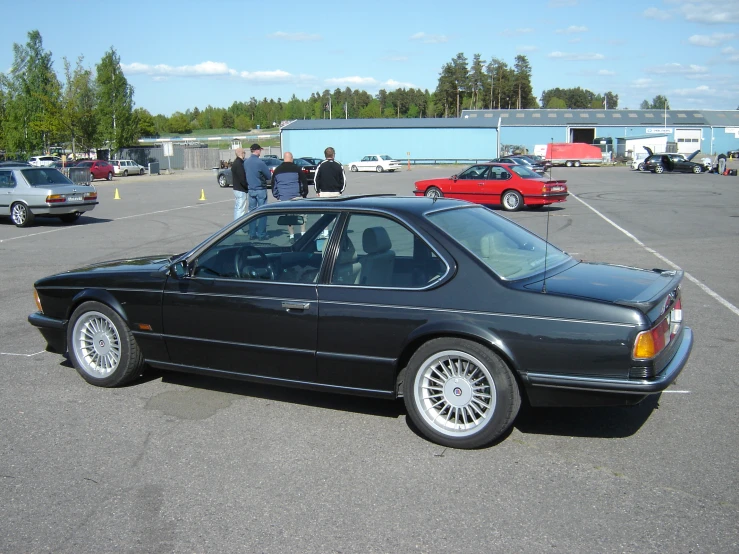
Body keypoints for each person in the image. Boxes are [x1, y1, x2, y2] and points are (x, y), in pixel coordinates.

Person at [272, 152, 308, 241]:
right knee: (302, 217)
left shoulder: (277, 170)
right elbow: (304, 183)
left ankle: (291, 236)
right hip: (297, 197)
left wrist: (277, 196)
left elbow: (274, 185)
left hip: (284, 198)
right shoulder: (297, 169)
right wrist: (304, 194)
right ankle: (303, 234)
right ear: (291, 158)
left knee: (288, 218)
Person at [244, 143, 273, 239]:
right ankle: (261, 234)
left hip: (251, 189)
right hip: (260, 189)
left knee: (252, 213)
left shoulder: (246, 162)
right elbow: (268, 176)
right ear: (257, 150)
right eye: (260, 150)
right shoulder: (260, 163)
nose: (260, 152)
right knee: (262, 212)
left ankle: (252, 233)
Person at [231, 147, 247, 220]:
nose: (245, 155)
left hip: (236, 188)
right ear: (242, 153)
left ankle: (236, 222)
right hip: (240, 189)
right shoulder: (239, 163)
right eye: (244, 153)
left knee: (238, 207)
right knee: (240, 208)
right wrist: (247, 186)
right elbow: (242, 178)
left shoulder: (235, 162)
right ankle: (238, 225)